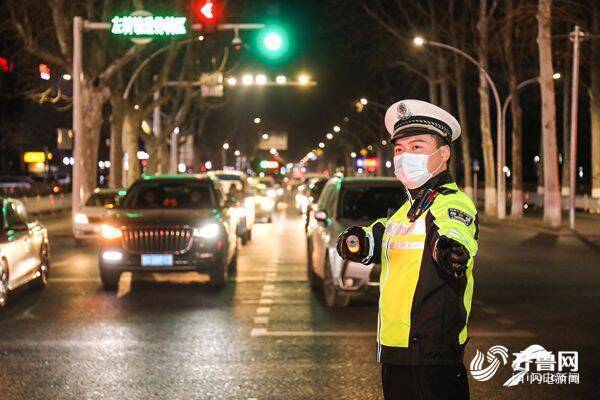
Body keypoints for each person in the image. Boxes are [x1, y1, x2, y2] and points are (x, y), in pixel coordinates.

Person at [336, 99, 479, 400]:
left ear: (444, 154)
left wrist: (450, 248)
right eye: (399, 149)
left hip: (432, 355)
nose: (404, 156)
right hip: (396, 351)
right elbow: (375, 237)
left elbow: (456, 231)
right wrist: (355, 241)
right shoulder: (406, 211)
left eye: (417, 147)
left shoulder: (450, 202)